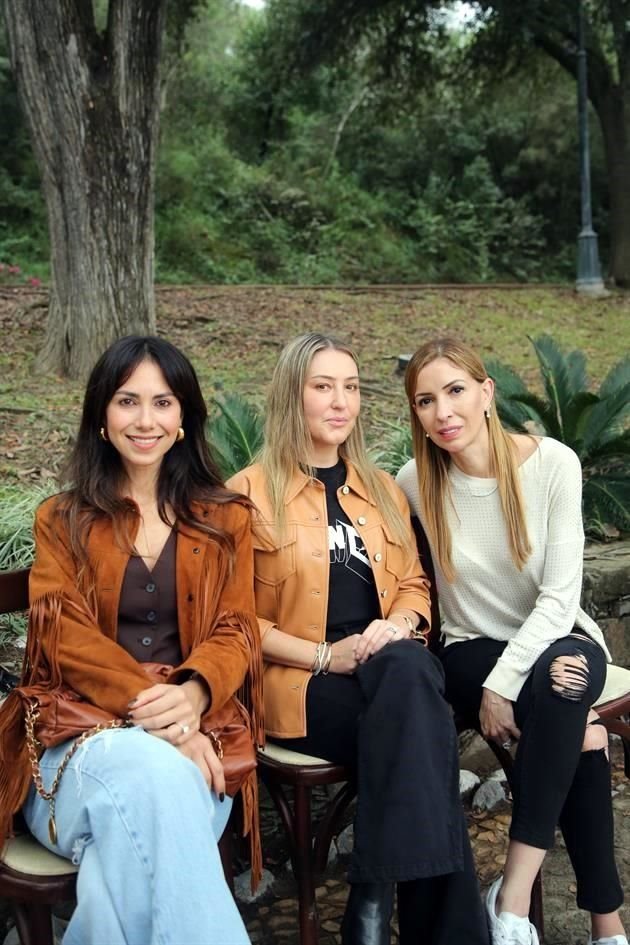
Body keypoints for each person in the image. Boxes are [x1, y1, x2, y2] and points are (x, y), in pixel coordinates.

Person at [0, 336, 262, 945]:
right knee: (154, 775)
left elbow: (236, 626)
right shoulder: (62, 519)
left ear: (184, 419)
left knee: (120, 858)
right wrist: (164, 720)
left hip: (199, 741)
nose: (145, 420)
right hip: (82, 743)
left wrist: (195, 694)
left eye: (163, 403)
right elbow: (62, 633)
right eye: (127, 401)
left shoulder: (227, 518)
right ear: (100, 417)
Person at [228, 332, 489, 945]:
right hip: (300, 683)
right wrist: (325, 655)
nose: (341, 402)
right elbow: (234, 619)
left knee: (405, 677)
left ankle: (370, 906)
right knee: (420, 723)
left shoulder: (381, 488)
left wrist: (396, 626)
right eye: (323, 387)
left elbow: (416, 585)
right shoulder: (246, 495)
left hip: (386, 669)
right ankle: (436, 925)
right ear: (292, 396)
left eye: (350, 387)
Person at [397, 336, 626, 945]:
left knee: (566, 682)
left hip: (559, 636)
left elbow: (559, 599)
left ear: (486, 393)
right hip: (472, 646)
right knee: (580, 731)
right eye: (425, 401)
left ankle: (514, 894)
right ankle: (608, 927)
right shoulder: (414, 484)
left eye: (456, 391)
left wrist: (503, 687)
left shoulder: (553, 463)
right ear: (414, 413)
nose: (443, 412)